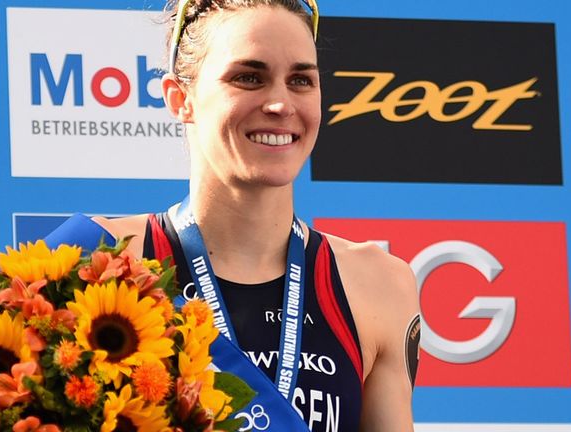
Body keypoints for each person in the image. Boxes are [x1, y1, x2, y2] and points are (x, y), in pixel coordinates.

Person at [88, 0, 420, 430]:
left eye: (301, 80)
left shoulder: (379, 285)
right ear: (180, 98)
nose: (281, 104)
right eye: (249, 77)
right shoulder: (103, 260)